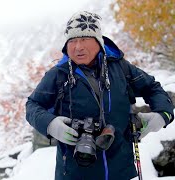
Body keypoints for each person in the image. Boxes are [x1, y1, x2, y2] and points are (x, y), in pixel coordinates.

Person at [26, 11, 174, 180]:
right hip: (75, 172)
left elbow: (153, 88)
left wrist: (162, 115)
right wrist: (51, 124)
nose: (78, 46)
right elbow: (32, 106)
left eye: (84, 39)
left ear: (98, 41)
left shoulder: (121, 68)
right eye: (72, 41)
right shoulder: (58, 75)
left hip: (121, 171)